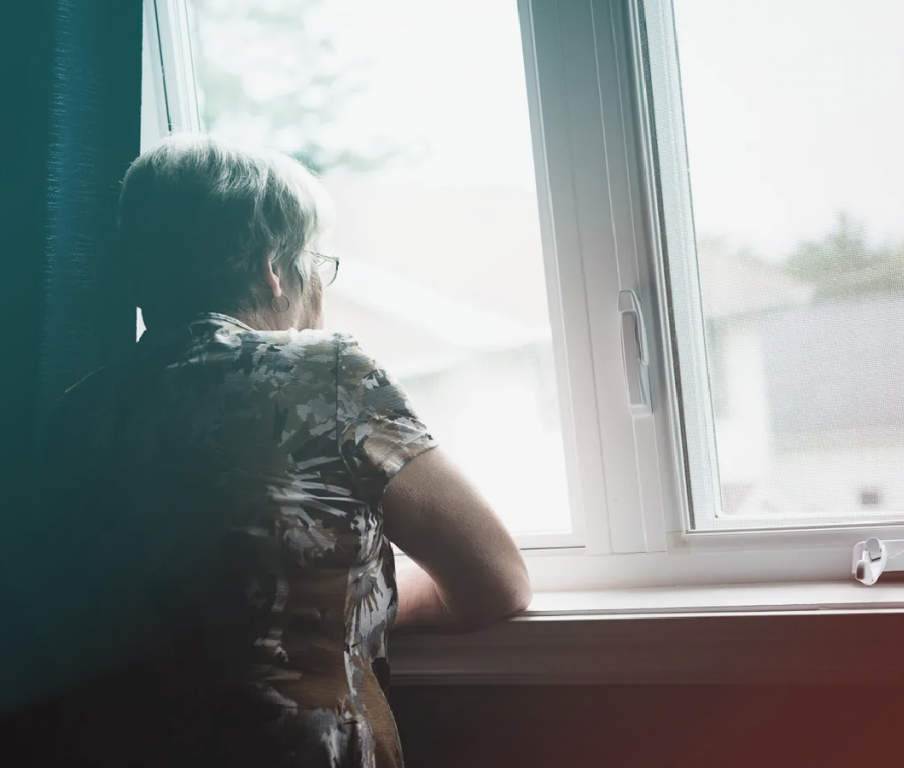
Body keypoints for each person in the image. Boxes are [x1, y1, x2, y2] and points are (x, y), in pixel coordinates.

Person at [28, 133, 532, 767]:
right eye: (316, 262)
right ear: (273, 268)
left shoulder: (76, 413)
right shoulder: (326, 374)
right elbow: (497, 581)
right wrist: (357, 602)